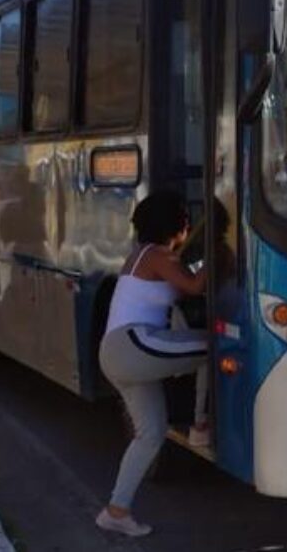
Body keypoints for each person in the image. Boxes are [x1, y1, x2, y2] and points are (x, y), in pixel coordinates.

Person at [95, 191, 208, 538]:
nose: (188, 224)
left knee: (151, 434)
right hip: (133, 345)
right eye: (184, 219)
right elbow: (192, 286)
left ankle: (116, 511)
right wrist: (216, 254)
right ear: (172, 224)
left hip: (117, 353)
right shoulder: (157, 255)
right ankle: (201, 425)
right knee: (215, 345)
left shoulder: (144, 255)